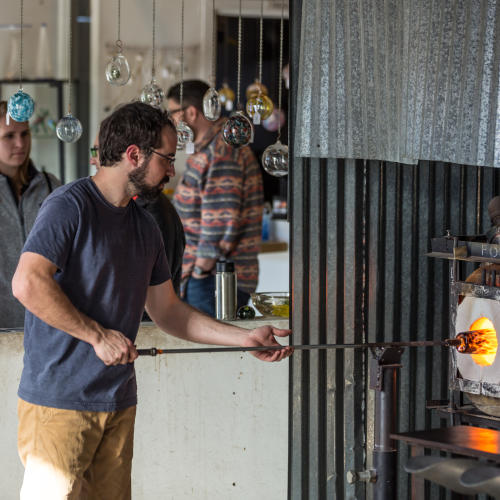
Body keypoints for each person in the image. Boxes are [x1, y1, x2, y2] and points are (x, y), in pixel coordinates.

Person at [12, 101, 291, 499]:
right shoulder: (68, 206)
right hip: (59, 404)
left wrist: (242, 339)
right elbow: (27, 283)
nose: (172, 170)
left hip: (118, 402)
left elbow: (169, 312)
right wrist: (96, 336)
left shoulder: (145, 226)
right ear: (133, 155)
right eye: (167, 159)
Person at [167, 80, 264, 316]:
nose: (170, 121)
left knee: (210, 352)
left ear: (191, 112)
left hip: (213, 279)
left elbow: (221, 219)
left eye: (172, 113)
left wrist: (201, 269)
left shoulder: (222, 148)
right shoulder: (208, 147)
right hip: (208, 277)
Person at [90, 135, 185, 295]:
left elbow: (147, 288)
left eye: (96, 151)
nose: (93, 160)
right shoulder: (122, 206)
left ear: (132, 155)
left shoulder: (152, 211)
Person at [0, 100, 61, 328]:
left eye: (25, 134)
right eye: (9, 136)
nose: (20, 143)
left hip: (48, 317)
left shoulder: (49, 185)